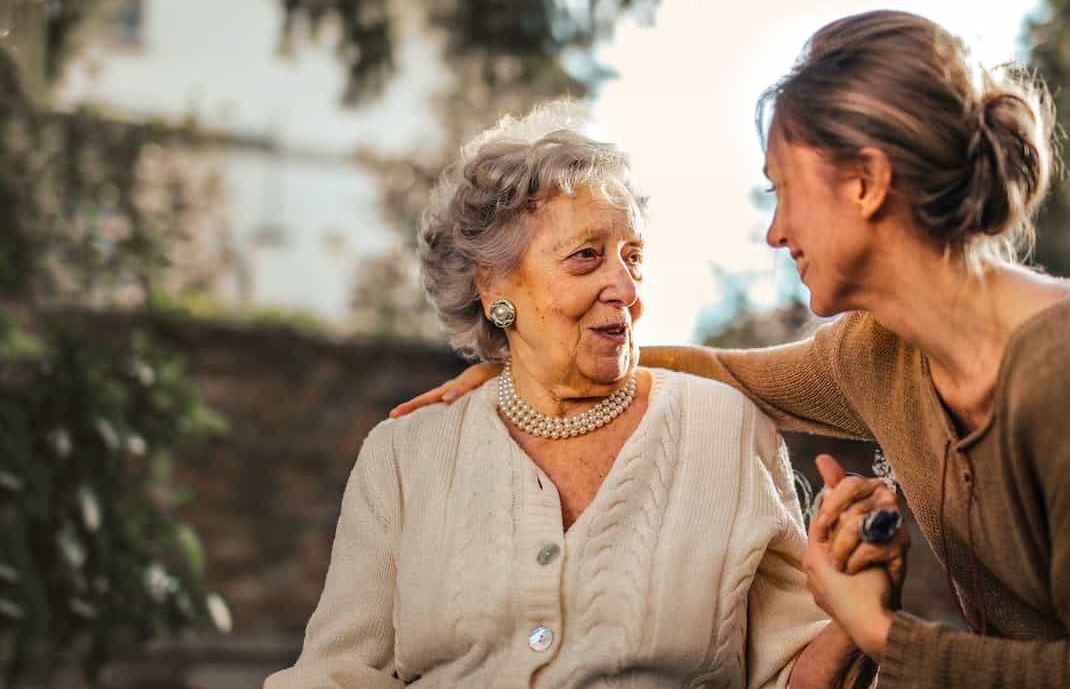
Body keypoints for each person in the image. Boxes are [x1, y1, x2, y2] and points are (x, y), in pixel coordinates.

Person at [391, 11, 1070, 687]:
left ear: (865, 182)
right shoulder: (880, 352)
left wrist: (882, 633)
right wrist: (525, 361)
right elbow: (724, 371)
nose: (775, 230)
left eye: (783, 188)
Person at [266, 103, 908, 688]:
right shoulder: (406, 455)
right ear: (495, 290)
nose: (625, 288)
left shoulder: (727, 430)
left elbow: (790, 677)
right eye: (586, 257)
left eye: (633, 257)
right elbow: (337, 673)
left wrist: (856, 616)